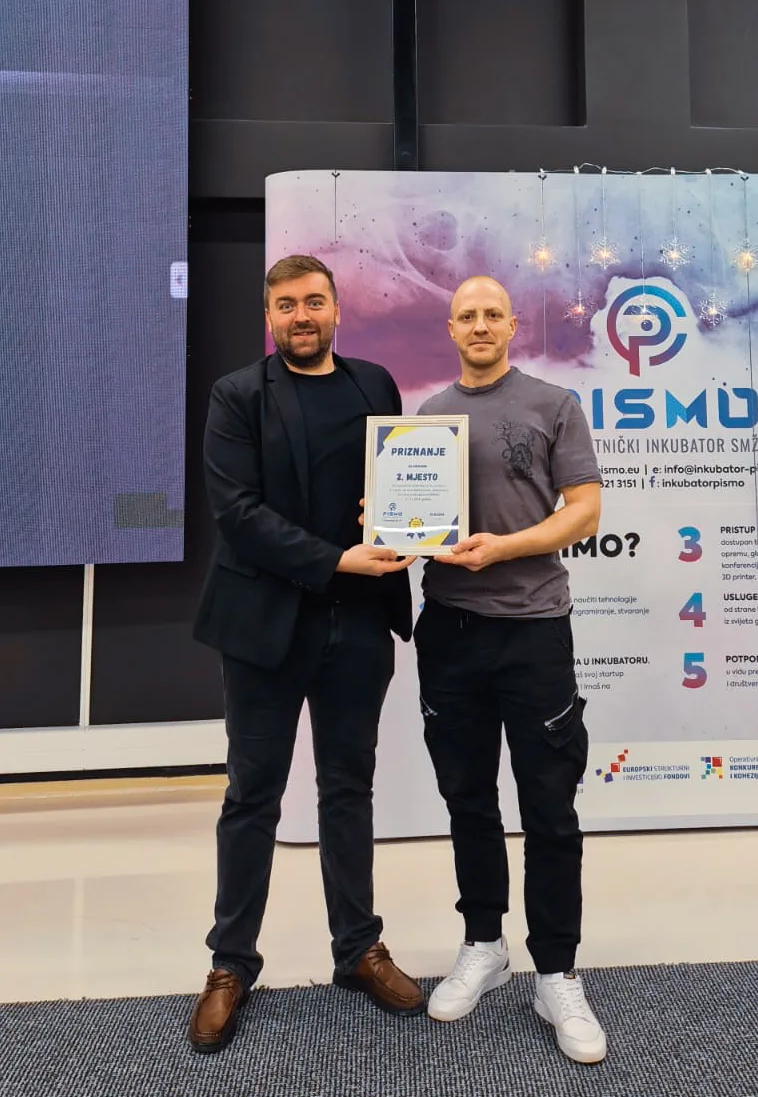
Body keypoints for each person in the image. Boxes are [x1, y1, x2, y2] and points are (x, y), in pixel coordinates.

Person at [188, 255, 425, 1054]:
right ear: (270, 314)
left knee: (348, 788)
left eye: (314, 301)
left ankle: (357, 947)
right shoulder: (237, 395)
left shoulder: (374, 384)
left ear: (336, 308)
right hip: (265, 628)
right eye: (286, 303)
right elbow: (238, 514)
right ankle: (230, 963)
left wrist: (399, 521)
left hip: (357, 625)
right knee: (252, 797)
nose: (301, 314)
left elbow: (396, 483)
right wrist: (335, 558)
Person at [414, 275, 607, 1065]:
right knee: (466, 797)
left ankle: (555, 971)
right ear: (450, 328)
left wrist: (502, 548)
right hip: (449, 632)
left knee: (549, 807)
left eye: (493, 314)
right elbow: (413, 519)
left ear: (512, 325)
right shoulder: (426, 418)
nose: (480, 325)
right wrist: (389, 526)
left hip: (533, 629)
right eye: (467, 315)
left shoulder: (553, 404)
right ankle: (484, 942)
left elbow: (584, 509)